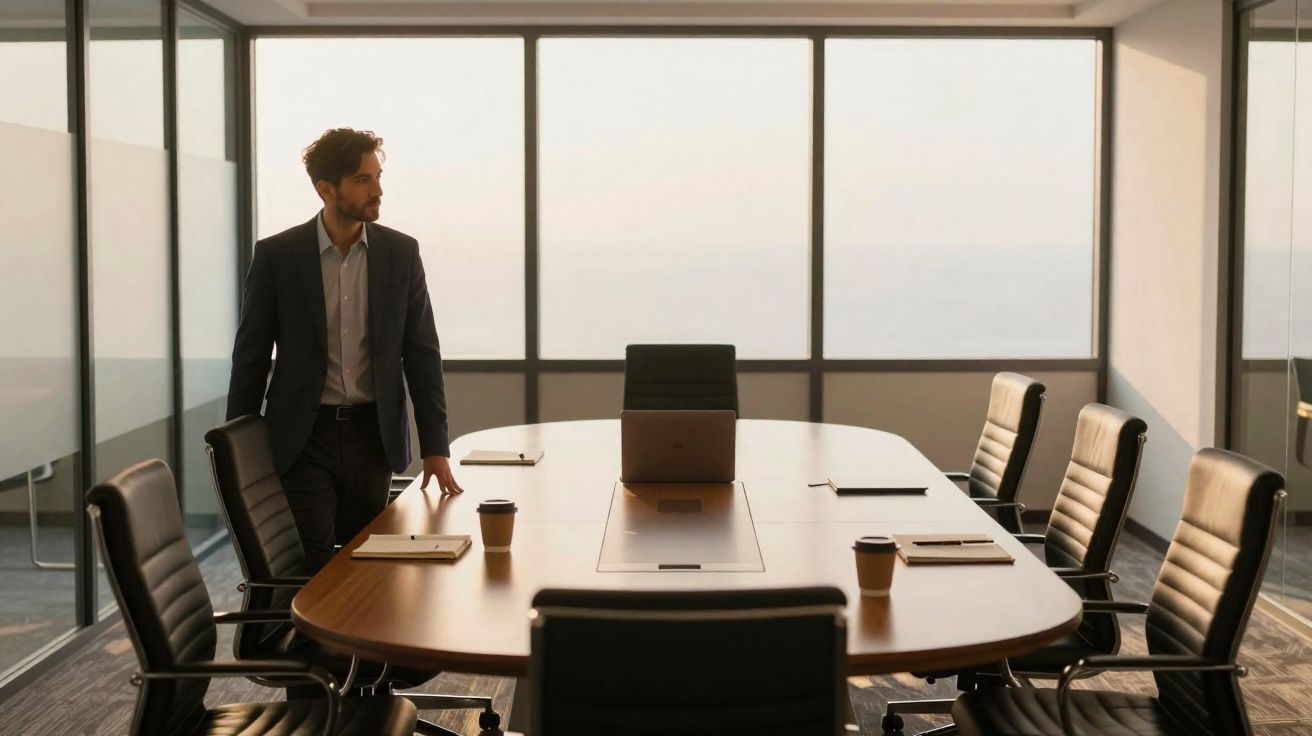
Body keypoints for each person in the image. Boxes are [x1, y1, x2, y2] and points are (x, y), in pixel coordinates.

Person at [226, 127, 463, 572]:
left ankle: (356, 645)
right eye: (363, 180)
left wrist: (436, 445)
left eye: (377, 176)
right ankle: (315, 645)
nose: (377, 190)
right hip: (303, 437)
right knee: (311, 566)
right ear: (326, 189)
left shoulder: (400, 253)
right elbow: (251, 358)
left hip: (372, 437)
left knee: (367, 565)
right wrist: (239, 451)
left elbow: (422, 353)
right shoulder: (278, 256)